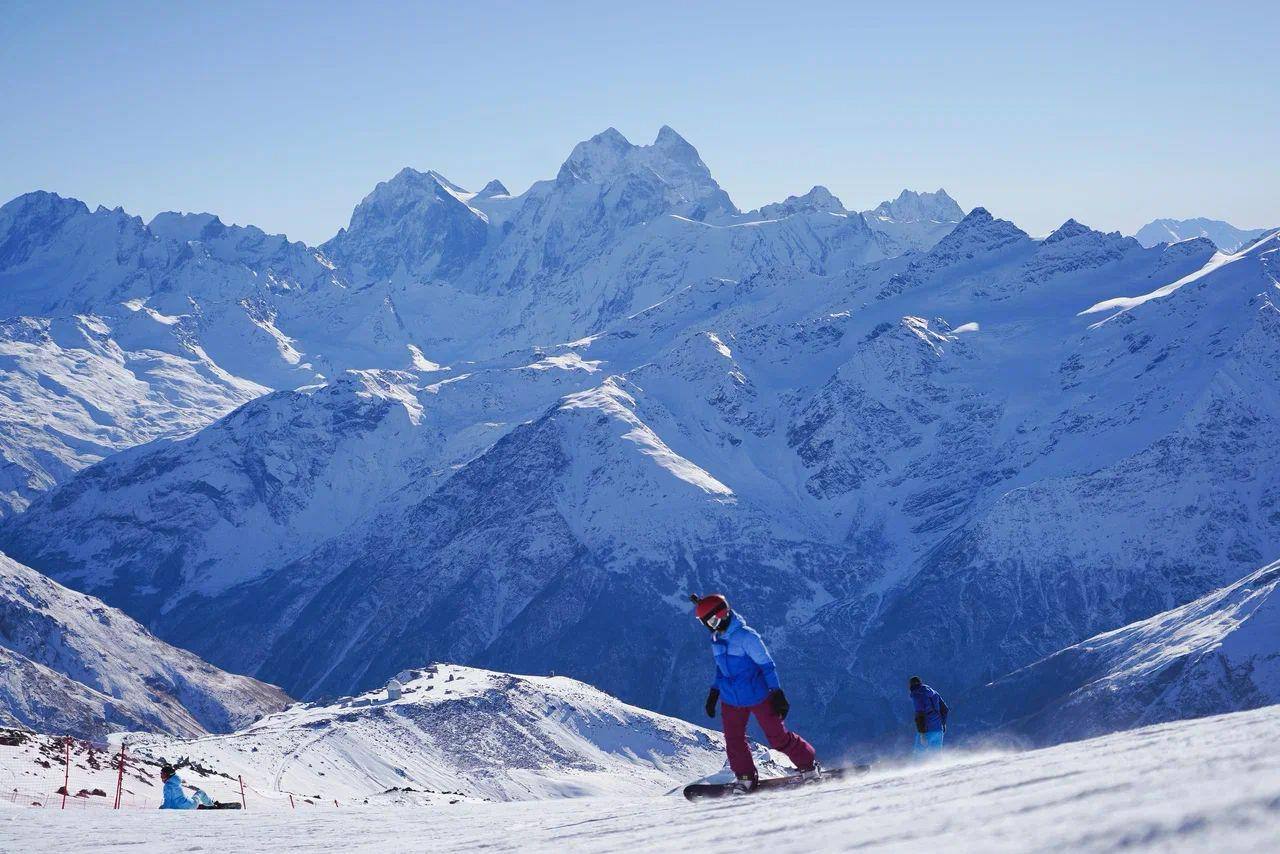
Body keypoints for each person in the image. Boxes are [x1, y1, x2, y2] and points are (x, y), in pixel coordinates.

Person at [690, 593, 820, 792]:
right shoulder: (716, 639)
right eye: (706, 623)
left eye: (712, 621)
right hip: (730, 698)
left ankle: (808, 766)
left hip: (757, 695)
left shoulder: (747, 637)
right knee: (734, 740)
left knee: (778, 738)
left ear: (723, 614)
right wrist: (714, 692)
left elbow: (767, 666)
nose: (710, 627)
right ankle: (746, 778)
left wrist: (776, 692)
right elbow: (721, 668)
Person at [908, 676, 948, 755]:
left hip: (927, 730)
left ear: (911, 686)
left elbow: (920, 715)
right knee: (936, 755)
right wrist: (943, 724)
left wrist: (922, 734)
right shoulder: (935, 693)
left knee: (918, 755)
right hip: (938, 729)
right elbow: (945, 709)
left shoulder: (917, 695)